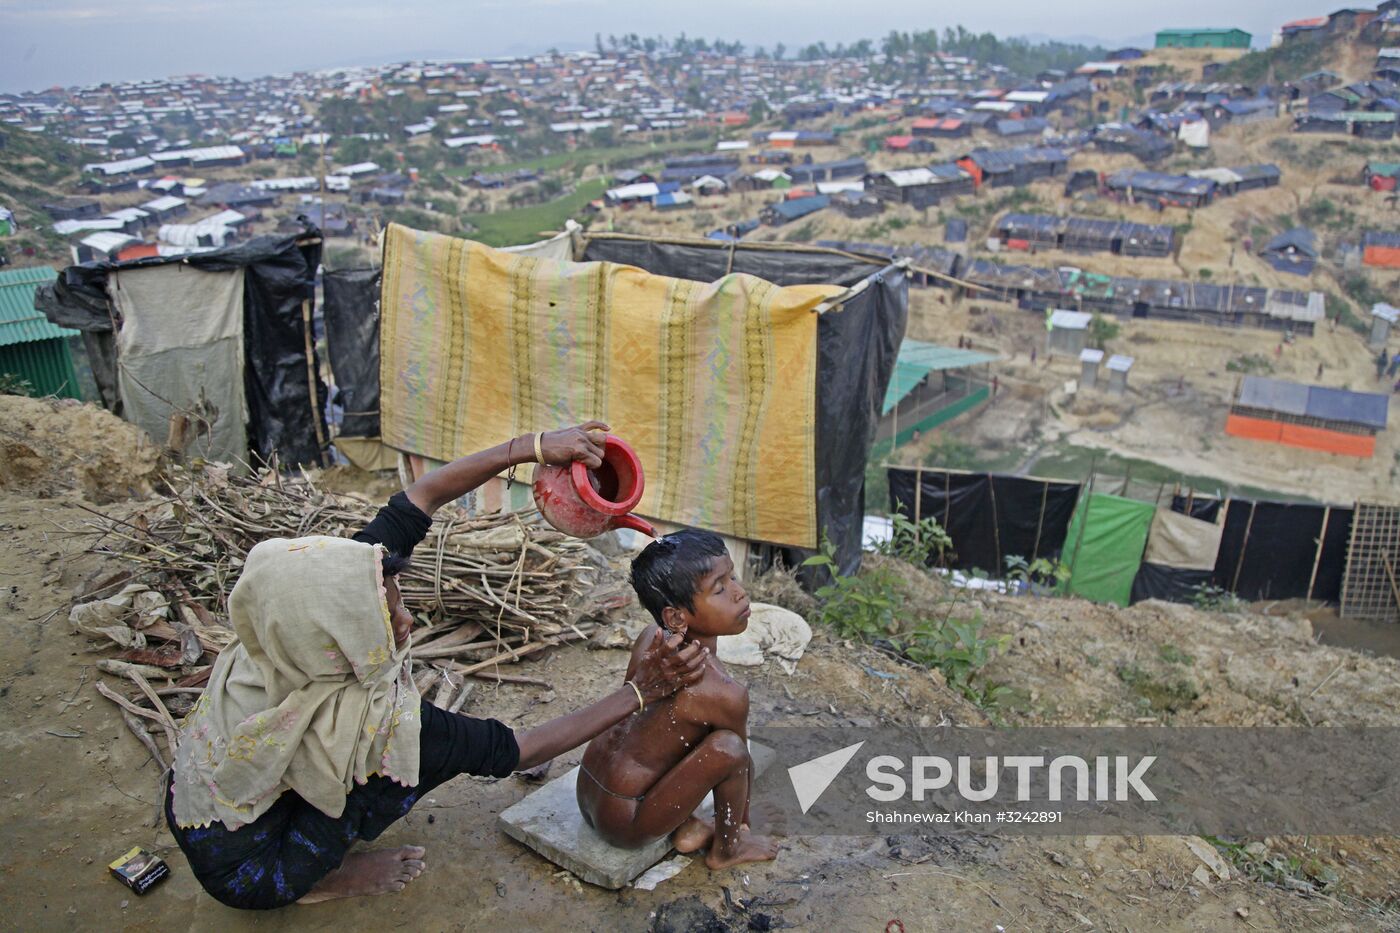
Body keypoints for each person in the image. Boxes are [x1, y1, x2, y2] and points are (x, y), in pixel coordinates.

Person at [164, 423, 708, 910]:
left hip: (201, 798)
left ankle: (306, 818)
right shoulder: (380, 724)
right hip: (247, 871)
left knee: (360, 761)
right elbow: (519, 750)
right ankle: (315, 879)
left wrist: (536, 446)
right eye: (387, 615)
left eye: (396, 594)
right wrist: (640, 691)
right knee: (399, 766)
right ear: (341, 638)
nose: (406, 618)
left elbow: (424, 495)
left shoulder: (305, 606)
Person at [576, 530, 780, 871]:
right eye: (720, 587)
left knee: (671, 732)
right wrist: (739, 824)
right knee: (729, 747)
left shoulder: (648, 640)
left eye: (733, 576)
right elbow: (738, 763)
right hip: (627, 823)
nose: (739, 592)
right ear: (675, 617)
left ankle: (686, 825)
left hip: (588, 793)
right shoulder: (724, 693)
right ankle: (727, 850)